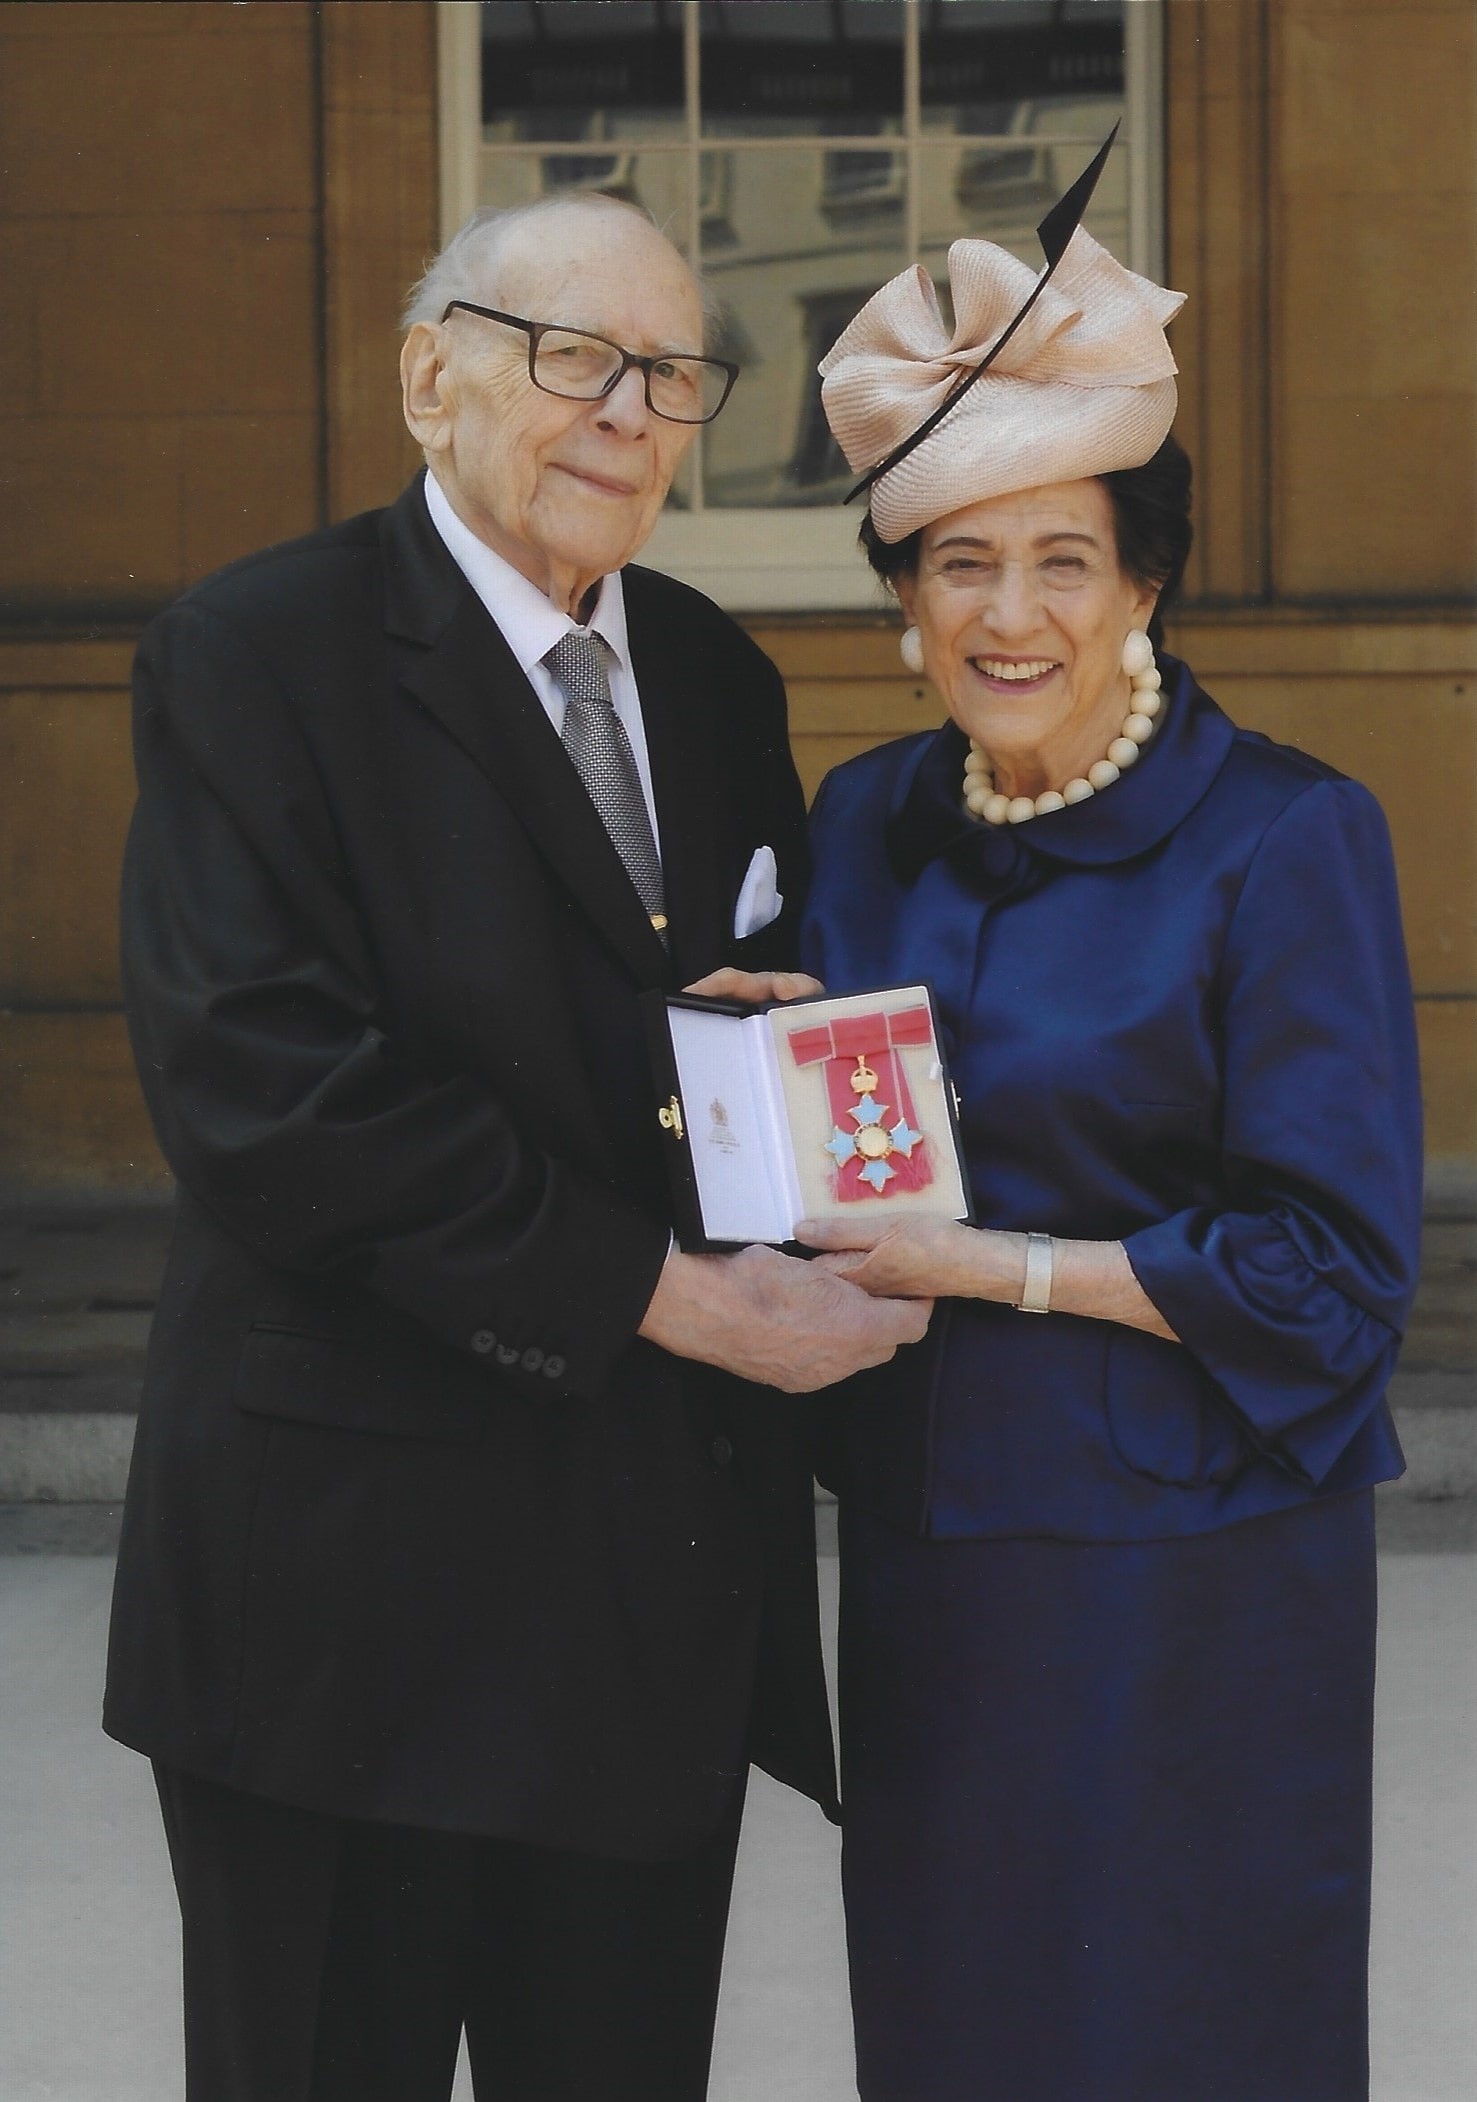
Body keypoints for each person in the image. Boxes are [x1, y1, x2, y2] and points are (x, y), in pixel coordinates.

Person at [104, 191, 927, 2102]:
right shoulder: (256, 654)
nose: (627, 412)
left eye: (671, 375)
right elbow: (270, 1093)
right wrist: (676, 1298)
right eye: (575, 357)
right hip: (338, 1624)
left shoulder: (716, 675)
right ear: (429, 377)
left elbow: (722, 1048)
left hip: (641, 1602)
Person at [795, 213, 1423, 2101]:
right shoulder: (863, 819)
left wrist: (988, 1264)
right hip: (930, 1561)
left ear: (1143, 586)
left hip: (1193, 1574)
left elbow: (1333, 1279)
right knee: (956, 2024)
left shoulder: (1286, 837)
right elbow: (840, 1154)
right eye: (958, 563)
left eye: (1064, 560)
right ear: (901, 601)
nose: (1008, 614)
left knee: (1182, 2025)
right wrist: (732, 1067)